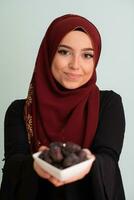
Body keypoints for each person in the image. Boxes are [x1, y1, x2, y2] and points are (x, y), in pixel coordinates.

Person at [0, 14, 126, 200]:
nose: (75, 65)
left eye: (87, 55)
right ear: (48, 54)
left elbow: (108, 160)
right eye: (64, 52)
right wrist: (35, 164)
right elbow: (13, 165)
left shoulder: (108, 104)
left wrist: (86, 162)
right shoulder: (20, 110)